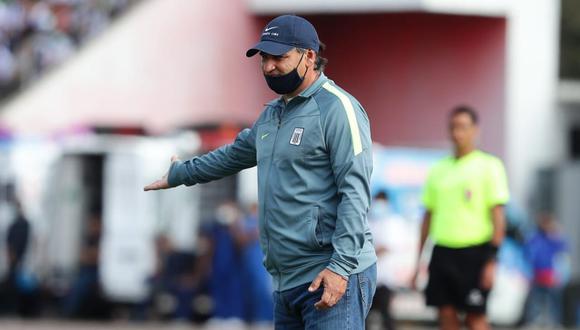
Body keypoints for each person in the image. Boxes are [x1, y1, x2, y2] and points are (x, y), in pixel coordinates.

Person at [145, 14, 377, 329]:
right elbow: (233, 155)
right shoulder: (272, 114)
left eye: (279, 57)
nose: (268, 67)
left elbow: (355, 193)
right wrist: (180, 174)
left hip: (330, 272)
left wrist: (340, 268)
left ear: (309, 56)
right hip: (286, 280)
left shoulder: (338, 109)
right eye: (264, 58)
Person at [412, 106, 509, 330]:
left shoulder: (489, 166)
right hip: (443, 252)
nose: (458, 133)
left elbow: (498, 219)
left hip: (475, 254)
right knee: (446, 316)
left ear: (475, 130)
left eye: (463, 127)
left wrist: (491, 262)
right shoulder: (438, 169)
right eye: (454, 127)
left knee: (475, 318)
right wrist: (418, 263)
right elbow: (428, 217)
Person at [367, 191, 405, 330]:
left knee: (386, 315)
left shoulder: (393, 222)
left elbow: (387, 246)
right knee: (365, 317)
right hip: (369, 278)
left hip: (385, 279)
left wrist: (368, 253)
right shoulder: (369, 220)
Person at [523, 213, 569, 327]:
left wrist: (561, 274)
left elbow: (563, 254)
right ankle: (533, 322)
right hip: (537, 274)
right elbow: (528, 253)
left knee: (554, 302)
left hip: (551, 275)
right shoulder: (535, 238)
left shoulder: (554, 238)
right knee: (535, 302)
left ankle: (556, 322)